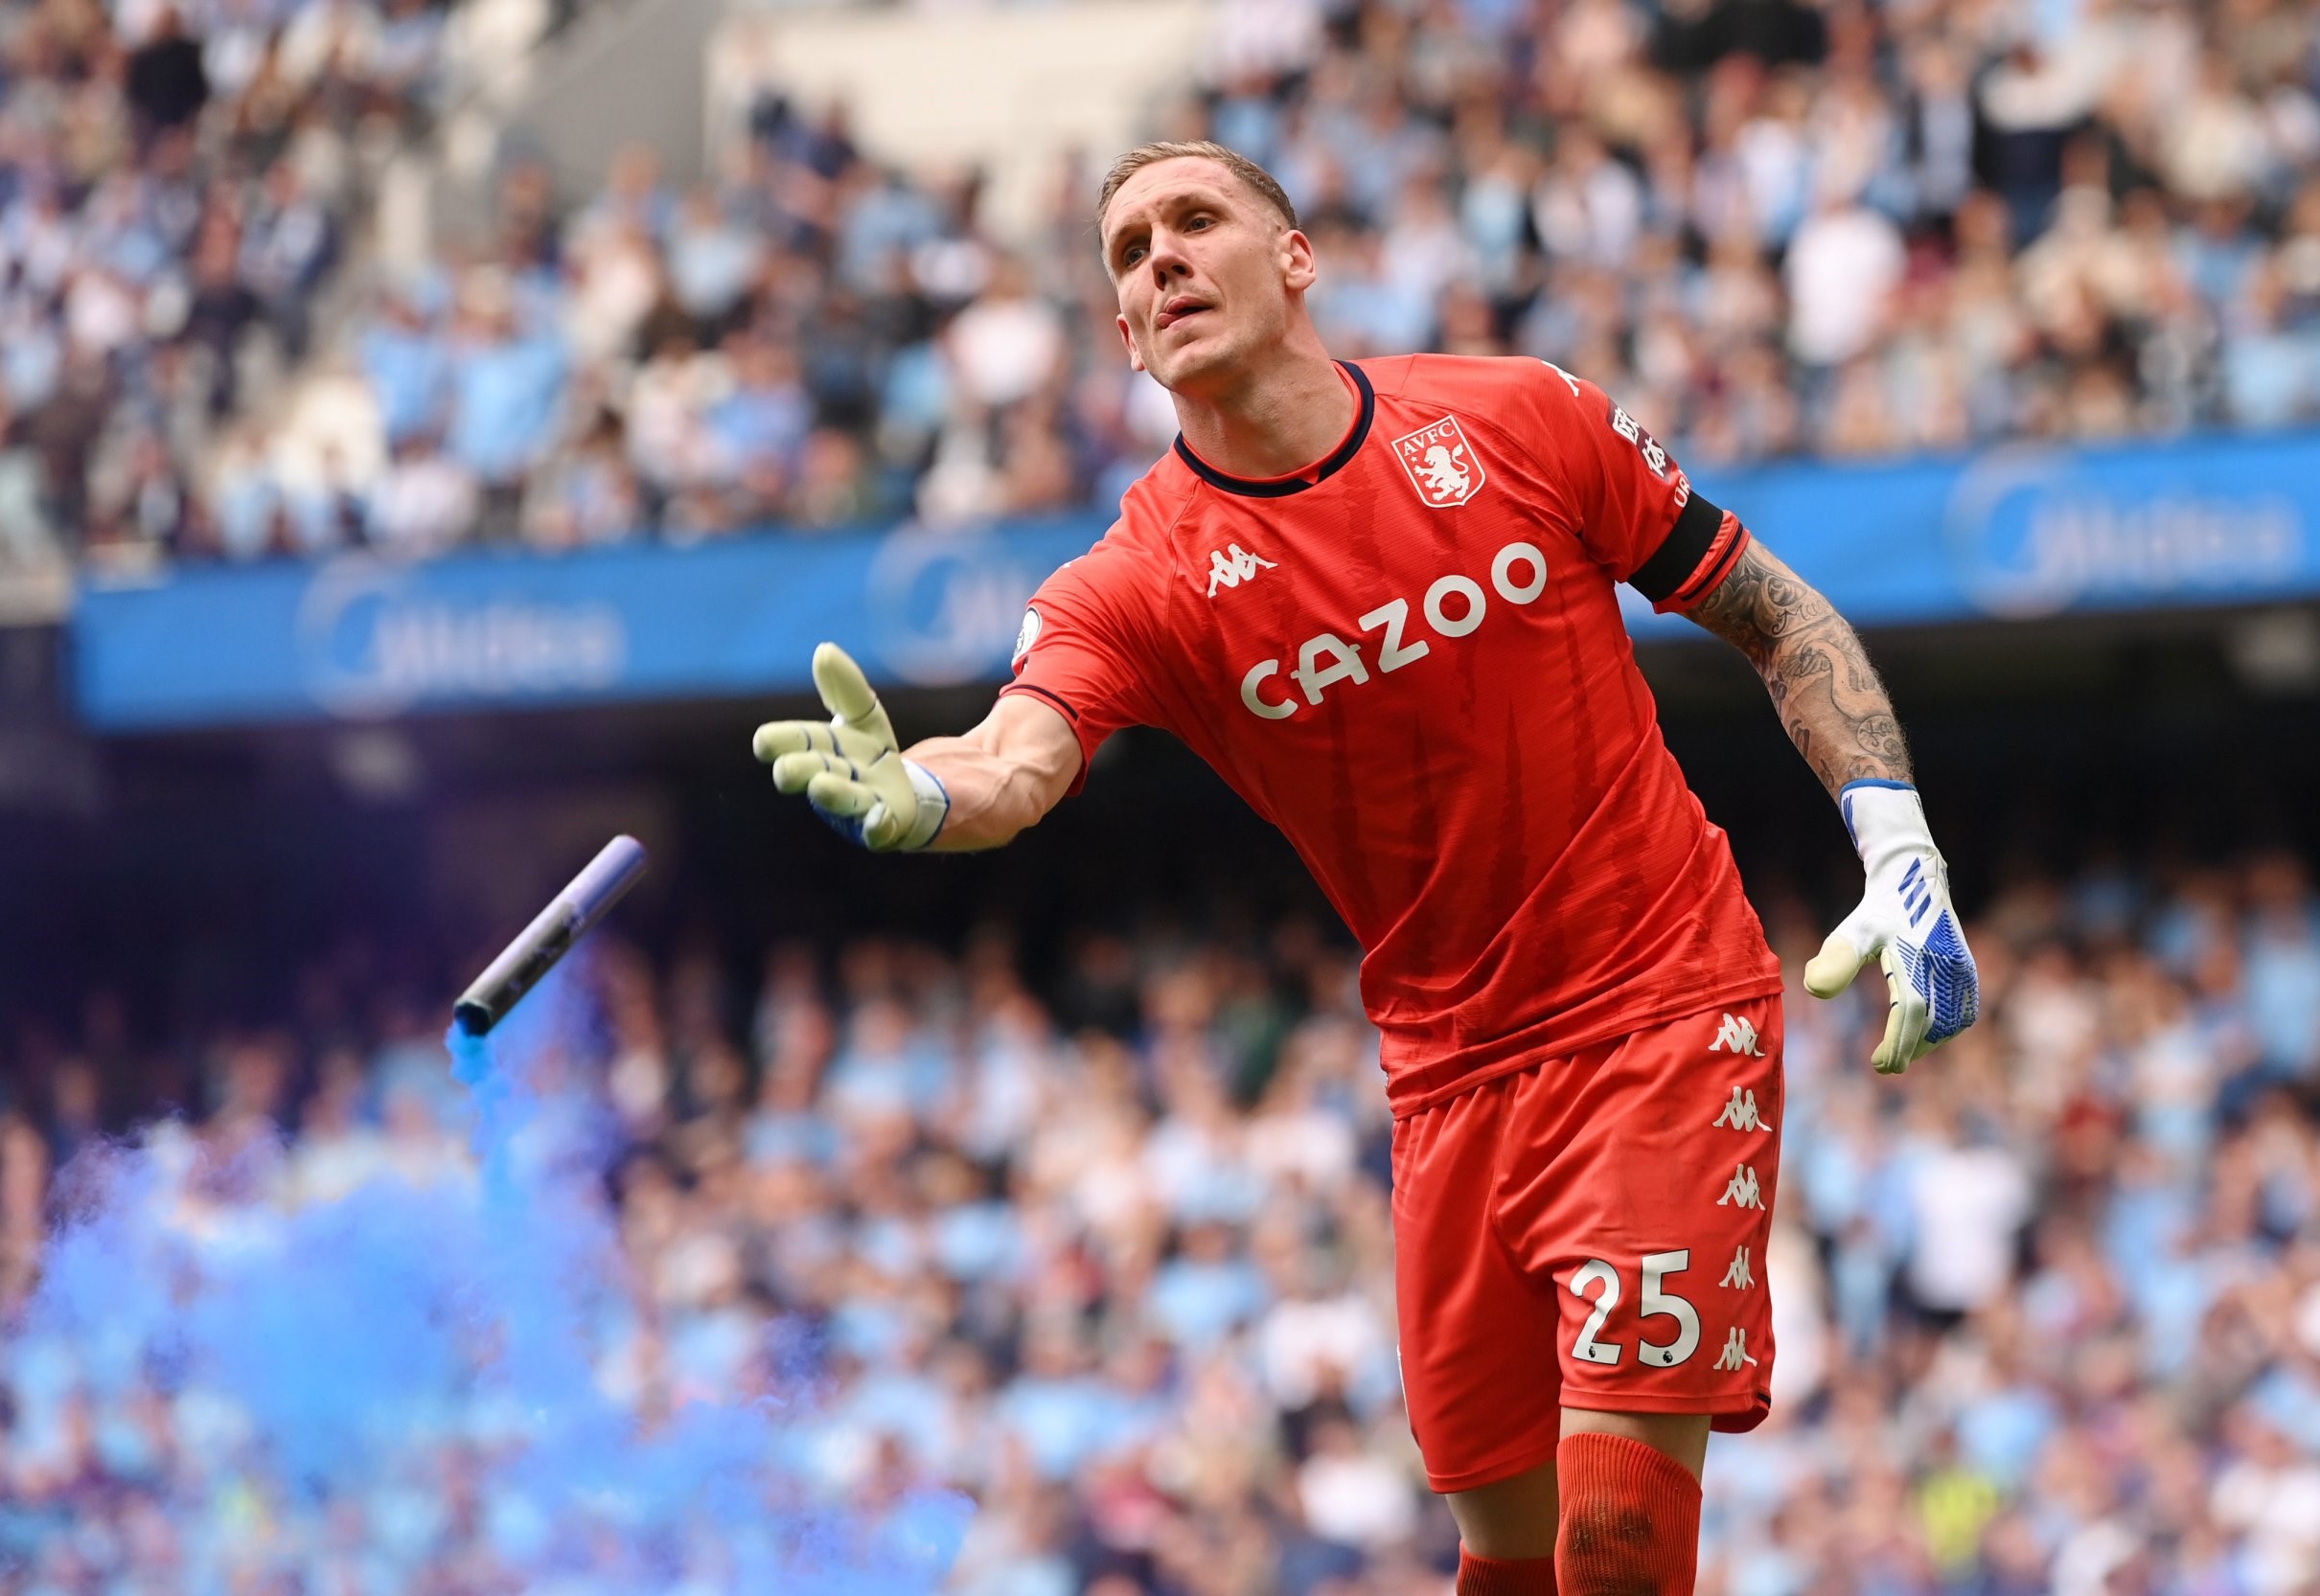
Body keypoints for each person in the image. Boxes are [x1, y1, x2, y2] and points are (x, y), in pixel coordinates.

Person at [751, 141, 1980, 1594]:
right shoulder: (1135, 578)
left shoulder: (1519, 417)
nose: (1161, 257)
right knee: (1509, 1556)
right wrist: (921, 789)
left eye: (1196, 219)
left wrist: (1893, 829)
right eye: (1130, 251)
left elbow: (1776, 613)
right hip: (1448, 1078)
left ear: (1295, 257)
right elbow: (1016, 759)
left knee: (1615, 1538)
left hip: (1659, 1004)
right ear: (1128, 337)